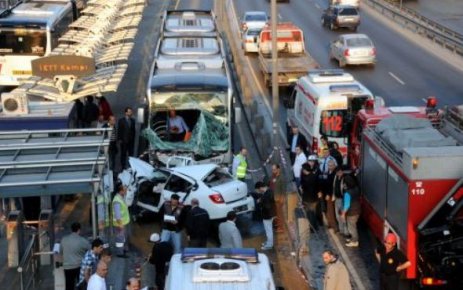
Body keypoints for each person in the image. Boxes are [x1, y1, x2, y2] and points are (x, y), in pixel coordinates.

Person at [60, 222, 90, 290]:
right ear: (79, 230)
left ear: (71, 230)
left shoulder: (64, 239)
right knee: (81, 285)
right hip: (79, 266)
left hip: (67, 267)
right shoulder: (82, 240)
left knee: (69, 286)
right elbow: (90, 248)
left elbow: (60, 251)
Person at [301, 155, 321, 231]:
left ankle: (314, 227)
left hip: (313, 195)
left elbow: (318, 182)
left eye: (313, 161)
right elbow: (303, 181)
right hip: (307, 195)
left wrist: (319, 191)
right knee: (310, 212)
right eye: (310, 161)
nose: (311, 163)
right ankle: (313, 227)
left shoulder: (316, 170)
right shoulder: (304, 169)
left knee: (313, 212)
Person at [255, 182, 276, 250]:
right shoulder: (269, 191)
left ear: (260, 188)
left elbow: (267, 206)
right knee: (268, 230)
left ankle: (269, 245)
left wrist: (260, 202)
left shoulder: (266, 194)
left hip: (267, 215)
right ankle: (269, 242)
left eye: (258, 190)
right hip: (270, 214)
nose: (258, 192)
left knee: (268, 230)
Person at [341, 175, 361, 247]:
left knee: (351, 227)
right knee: (353, 225)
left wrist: (343, 213)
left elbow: (347, 205)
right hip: (357, 209)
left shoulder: (347, 193)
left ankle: (355, 241)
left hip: (352, 212)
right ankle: (353, 238)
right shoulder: (356, 188)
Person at [112, 182, 131, 257]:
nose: (126, 191)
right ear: (121, 191)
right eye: (125, 190)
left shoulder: (120, 197)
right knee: (120, 239)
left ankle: (122, 250)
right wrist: (120, 224)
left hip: (123, 223)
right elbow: (117, 215)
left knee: (122, 238)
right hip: (119, 224)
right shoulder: (117, 200)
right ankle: (120, 253)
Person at [321, 159, 337, 229]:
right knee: (328, 209)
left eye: (331, 165)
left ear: (334, 166)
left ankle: (333, 225)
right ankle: (330, 222)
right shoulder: (328, 172)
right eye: (329, 165)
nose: (330, 167)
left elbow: (333, 186)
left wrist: (328, 194)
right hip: (326, 194)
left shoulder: (334, 174)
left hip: (330, 195)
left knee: (331, 210)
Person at [333, 166, 347, 237]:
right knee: (338, 216)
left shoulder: (344, 179)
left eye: (339, 172)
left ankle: (346, 232)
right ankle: (341, 230)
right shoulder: (336, 177)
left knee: (343, 216)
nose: (338, 174)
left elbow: (345, 191)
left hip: (342, 200)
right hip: (337, 199)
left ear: (341, 171)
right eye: (337, 172)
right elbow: (334, 186)